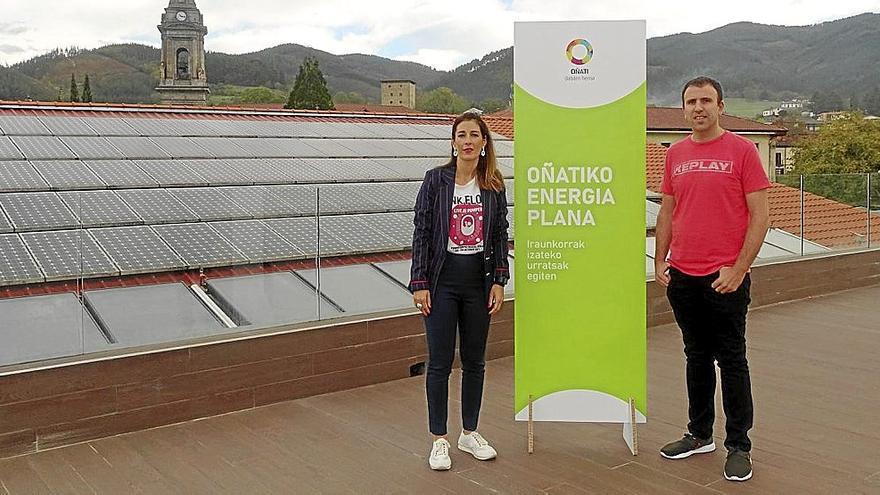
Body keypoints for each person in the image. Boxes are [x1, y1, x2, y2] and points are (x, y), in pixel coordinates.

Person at [654, 76, 771, 482]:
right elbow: (668, 210)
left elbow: (761, 216)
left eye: (706, 100)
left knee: (733, 360)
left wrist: (739, 269)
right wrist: (659, 259)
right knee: (696, 356)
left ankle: (739, 445)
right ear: (684, 109)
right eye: (691, 101)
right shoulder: (676, 155)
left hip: (725, 277)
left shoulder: (742, 151)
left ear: (721, 106)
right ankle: (699, 433)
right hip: (683, 274)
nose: (698, 107)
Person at [409, 111, 510, 471]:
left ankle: (469, 433)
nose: (468, 141)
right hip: (441, 282)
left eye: (474, 135)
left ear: (484, 143)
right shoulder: (436, 181)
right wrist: (419, 283)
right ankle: (439, 439)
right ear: (453, 142)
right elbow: (421, 231)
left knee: (475, 361)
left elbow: (499, 235)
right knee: (439, 363)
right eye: (461, 134)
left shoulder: (494, 185)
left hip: (477, 283)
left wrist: (499, 278)